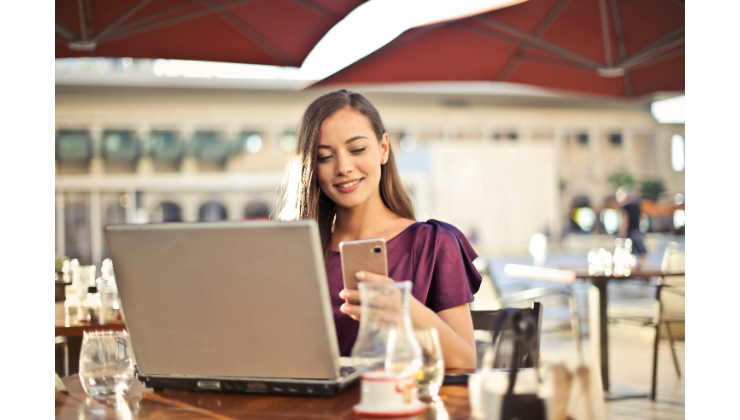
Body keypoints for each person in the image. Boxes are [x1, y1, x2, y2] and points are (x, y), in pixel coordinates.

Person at [278, 90, 480, 369]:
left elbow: (466, 361)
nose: (344, 167)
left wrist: (404, 310)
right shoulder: (294, 251)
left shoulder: (433, 243)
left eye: (357, 149)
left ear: (383, 148)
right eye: (325, 157)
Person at [616, 186, 648, 269]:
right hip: (637, 230)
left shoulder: (625, 207)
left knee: (628, 250)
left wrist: (622, 231)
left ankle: (629, 268)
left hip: (630, 232)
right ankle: (644, 268)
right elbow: (641, 218)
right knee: (641, 251)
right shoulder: (637, 206)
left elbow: (625, 220)